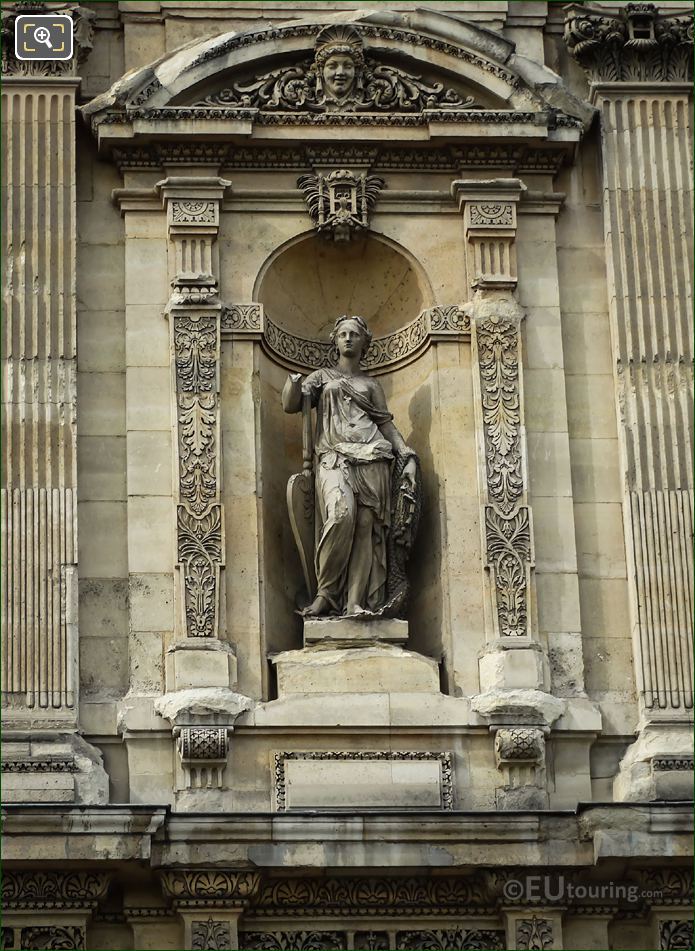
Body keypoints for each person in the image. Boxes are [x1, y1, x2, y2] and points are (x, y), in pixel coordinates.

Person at [282, 316, 418, 617]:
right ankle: (326, 594)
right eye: (342, 334)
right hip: (334, 457)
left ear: (364, 342)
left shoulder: (371, 385)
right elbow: (292, 405)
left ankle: (356, 601)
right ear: (335, 340)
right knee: (341, 515)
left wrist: (406, 453)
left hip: (373, 458)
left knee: (366, 529)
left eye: (354, 334)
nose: (347, 338)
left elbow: (384, 423)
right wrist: (292, 384)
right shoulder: (321, 377)